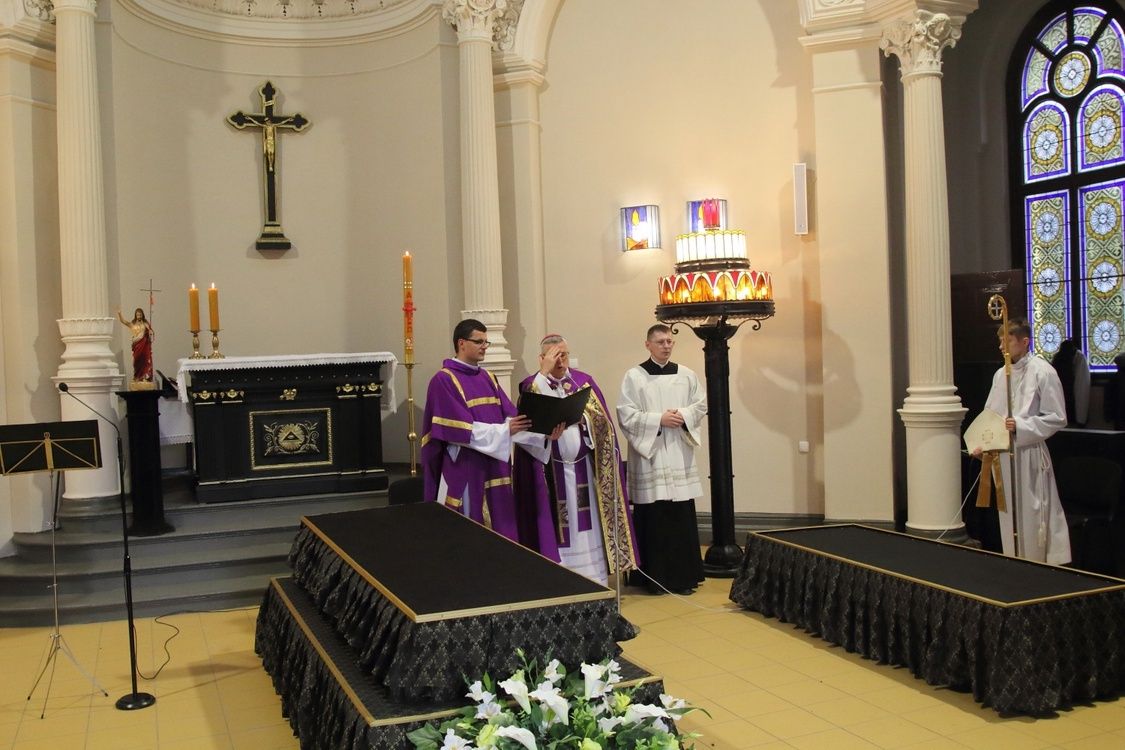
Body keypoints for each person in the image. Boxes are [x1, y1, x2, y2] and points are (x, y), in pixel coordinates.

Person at [514, 335, 639, 586]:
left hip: (584, 470)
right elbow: (527, 427)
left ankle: (595, 578)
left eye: (564, 355)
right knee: (560, 526)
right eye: (554, 356)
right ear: (542, 359)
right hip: (551, 474)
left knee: (587, 526)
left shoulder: (583, 382)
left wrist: (585, 420)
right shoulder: (532, 385)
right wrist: (544, 375)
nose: (561, 361)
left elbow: (604, 424)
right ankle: (563, 580)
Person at [420, 319, 531, 542]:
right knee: (470, 535)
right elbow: (459, 430)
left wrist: (541, 430)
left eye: (486, 342)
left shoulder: (488, 377)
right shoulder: (444, 380)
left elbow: (511, 416)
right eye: (479, 342)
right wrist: (504, 431)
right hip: (467, 466)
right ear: (461, 343)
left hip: (495, 467)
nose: (484, 347)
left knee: (501, 529)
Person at [617, 324, 706, 594]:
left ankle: (684, 578)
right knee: (654, 516)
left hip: (678, 453)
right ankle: (653, 579)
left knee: (680, 515)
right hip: (652, 456)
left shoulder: (686, 375)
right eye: (660, 342)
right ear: (648, 345)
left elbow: (700, 405)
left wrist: (682, 415)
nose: (666, 346)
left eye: (669, 341)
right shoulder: (635, 376)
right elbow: (625, 414)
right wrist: (659, 419)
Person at [972, 318, 1070, 564]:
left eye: (1007, 340)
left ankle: (1035, 564)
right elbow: (990, 415)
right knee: (1009, 514)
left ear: (1024, 342)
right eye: (1000, 341)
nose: (1001, 346)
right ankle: (1013, 562)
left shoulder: (1043, 371)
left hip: (1028, 452)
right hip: (1003, 454)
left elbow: (1057, 417)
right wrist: (983, 444)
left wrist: (1022, 425)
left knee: (1032, 512)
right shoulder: (1000, 375)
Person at [1050, 338, 1089, 427]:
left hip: (1062, 389)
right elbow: (1082, 380)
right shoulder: (1078, 356)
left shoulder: (1058, 357)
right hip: (1068, 389)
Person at [117, 307, 154, 387]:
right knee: (136, 361)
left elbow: (150, 331)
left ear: (142, 315)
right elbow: (124, 321)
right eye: (137, 315)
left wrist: (150, 332)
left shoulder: (145, 323)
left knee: (144, 361)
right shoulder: (133, 324)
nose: (139, 316)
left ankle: (144, 377)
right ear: (135, 315)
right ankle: (137, 377)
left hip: (144, 346)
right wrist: (119, 314)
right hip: (137, 345)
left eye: (140, 315)